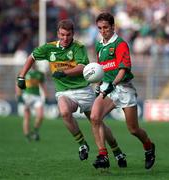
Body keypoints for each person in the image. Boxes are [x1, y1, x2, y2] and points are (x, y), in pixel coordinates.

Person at [16, 19, 127, 166]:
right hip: (64, 92)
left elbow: (82, 67)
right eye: (62, 35)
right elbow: (32, 57)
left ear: (73, 34)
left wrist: (64, 72)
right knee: (64, 112)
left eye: (68, 35)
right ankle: (82, 144)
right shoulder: (49, 48)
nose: (65, 38)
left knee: (97, 122)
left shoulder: (78, 47)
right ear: (58, 33)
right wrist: (21, 75)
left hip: (84, 90)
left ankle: (117, 150)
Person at [90, 12, 155, 169]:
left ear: (113, 27)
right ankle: (103, 155)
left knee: (133, 129)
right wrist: (99, 84)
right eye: (100, 28)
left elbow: (123, 70)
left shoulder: (120, 44)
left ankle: (149, 146)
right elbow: (100, 68)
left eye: (105, 27)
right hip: (108, 88)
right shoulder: (99, 45)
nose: (103, 31)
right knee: (94, 117)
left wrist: (112, 83)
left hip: (123, 88)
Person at [16, 64, 48, 141]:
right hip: (27, 96)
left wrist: (46, 95)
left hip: (37, 96)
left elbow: (43, 85)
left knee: (40, 116)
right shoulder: (22, 72)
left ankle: (35, 131)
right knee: (27, 117)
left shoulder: (40, 74)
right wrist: (19, 95)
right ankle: (27, 136)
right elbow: (18, 84)